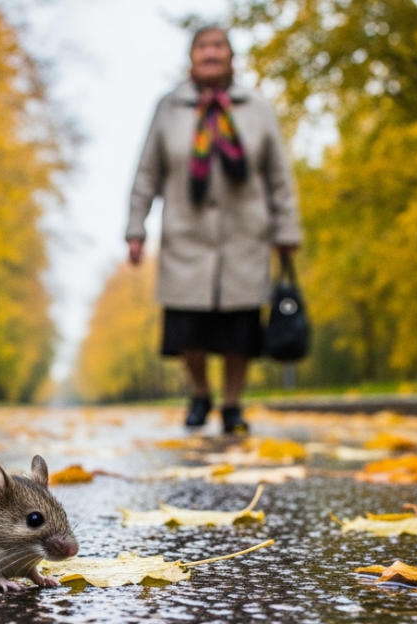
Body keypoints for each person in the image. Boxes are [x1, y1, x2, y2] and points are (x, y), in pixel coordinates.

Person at [125, 25, 302, 434]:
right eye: (202, 46)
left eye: (218, 46)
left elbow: (279, 174)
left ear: (231, 56)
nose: (210, 53)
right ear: (191, 57)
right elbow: (147, 171)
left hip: (245, 234)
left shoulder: (256, 107)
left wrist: (286, 228)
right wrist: (136, 228)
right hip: (186, 236)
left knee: (240, 327)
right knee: (189, 326)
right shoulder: (168, 107)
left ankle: (233, 404)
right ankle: (200, 392)